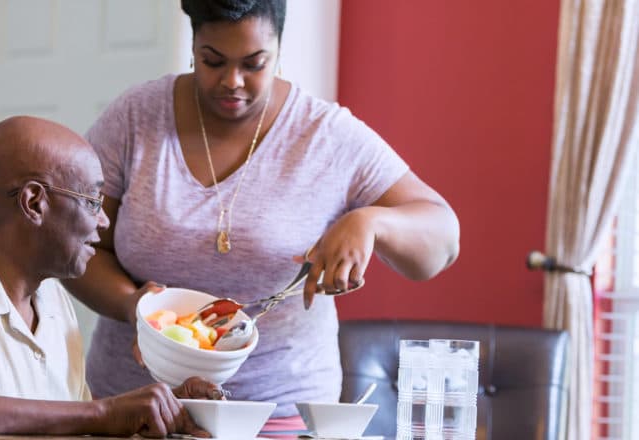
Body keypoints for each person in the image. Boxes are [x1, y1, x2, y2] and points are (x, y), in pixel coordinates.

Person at [63, 0, 460, 430]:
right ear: (194, 44)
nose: (232, 81)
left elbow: (442, 240)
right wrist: (131, 305)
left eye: (254, 64)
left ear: (278, 49)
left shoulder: (325, 134)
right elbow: (75, 245)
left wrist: (372, 222)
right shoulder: (136, 118)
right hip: (135, 404)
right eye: (212, 61)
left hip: (277, 411)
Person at [0, 116, 222, 440]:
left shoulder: (53, 303)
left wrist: (162, 414)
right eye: (92, 201)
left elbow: (74, 425)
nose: (103, 222)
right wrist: (102, 413)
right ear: (34, 202)